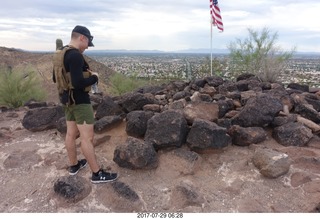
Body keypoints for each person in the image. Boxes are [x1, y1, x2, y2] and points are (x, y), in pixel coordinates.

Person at [53, 25, 118, 183]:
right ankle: (97, 174)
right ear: (81, 37)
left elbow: (56, 79)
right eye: (87, 42)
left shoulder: (60, 53)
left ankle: (74, 165)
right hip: (80, 102)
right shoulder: (75, 55)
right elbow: (79, 82)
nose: (87, 47)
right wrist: (94, 78)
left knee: (70, 134)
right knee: (87, 138)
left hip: (67, 100)